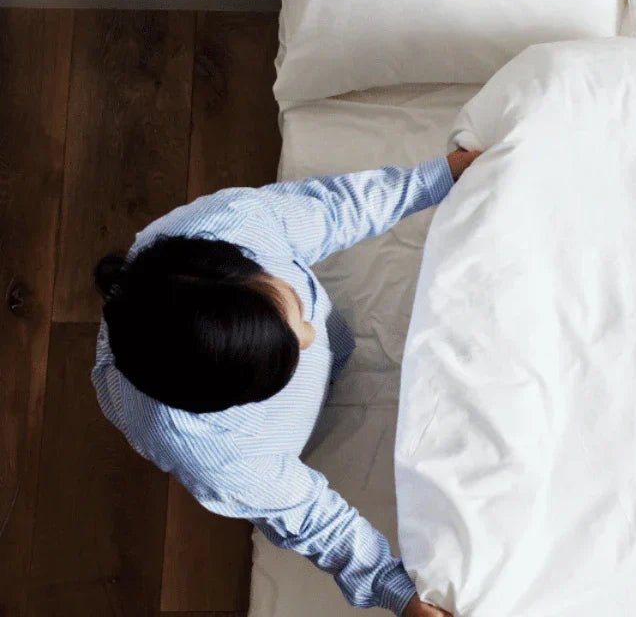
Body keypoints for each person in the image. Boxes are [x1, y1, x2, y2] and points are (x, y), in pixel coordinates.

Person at [91, 149, 482, 617]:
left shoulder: (235, 224)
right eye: (286, 360)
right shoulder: (218, 453)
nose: (309, 332)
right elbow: (313, 520)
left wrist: (437, 178)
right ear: (229, 401)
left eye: (294, 304)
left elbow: (336, 207)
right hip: (256, 432)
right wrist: (394, 590)